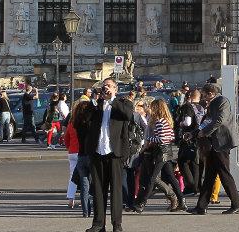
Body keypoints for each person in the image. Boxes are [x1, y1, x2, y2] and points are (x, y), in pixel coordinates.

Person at [77, 77, 135, 232]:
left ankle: (117, 224)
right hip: (97, 152)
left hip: (115, 153)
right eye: (104, 86)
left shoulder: (123, 103)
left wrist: (112, 99)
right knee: (98, 190)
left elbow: (128, 115)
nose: (106, 89)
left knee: (116, 191)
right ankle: (98, 224)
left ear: (115, 88)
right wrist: (94, 100)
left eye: (109, 86)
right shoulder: (97, 105)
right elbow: (85, 120)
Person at [191, 82, 239, 215]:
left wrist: (204, 132)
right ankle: (201, 206)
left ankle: (236, 204)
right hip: (214, 144)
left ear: (211, 93)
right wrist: (195, 132)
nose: (203, 99)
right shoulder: (213, 103)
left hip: (222, 142)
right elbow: (207, 121)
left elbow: (220, 120)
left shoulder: (222, 101)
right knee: (209, 176)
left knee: (224, 174)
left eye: (204, 95)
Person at [132, 98, 184, 212]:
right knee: (170, 177)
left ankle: (142, 203)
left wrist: (149, 139)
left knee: (152, 178)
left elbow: (162, 139)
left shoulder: (159, 122)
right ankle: (181, 201)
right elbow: (171, 137)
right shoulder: (166, 121)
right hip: (166, 151)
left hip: (161, 152)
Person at [68, 100, 95, 217]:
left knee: (84, 186)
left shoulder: (76, 123)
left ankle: (85, 211)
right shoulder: (90, 124)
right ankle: (92, 208)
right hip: (90, 156)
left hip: (81, 156)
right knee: (93, 184)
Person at [176, 87, 202, 198]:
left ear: (190, 96)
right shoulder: (201, 107)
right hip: (198, 137)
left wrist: (180, 123)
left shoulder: (187, 107)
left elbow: (187, 122)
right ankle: (196, 187)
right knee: (195, 163)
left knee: (183, 161)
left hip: (187, 137)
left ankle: (190, 186)